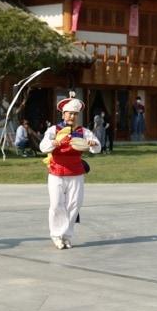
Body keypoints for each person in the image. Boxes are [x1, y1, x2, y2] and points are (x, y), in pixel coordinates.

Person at [39, 94, 101, 249]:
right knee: (56, 204)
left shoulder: (83, 131)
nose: (72, 116)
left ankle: (66, 235)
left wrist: (93, 143)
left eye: (75, 114)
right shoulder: (54, 129)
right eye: (69, 113)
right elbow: (43, 147)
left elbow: (97, 148)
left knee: (74, 204)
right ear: (63, 114)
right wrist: (55, 142)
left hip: (76, 173)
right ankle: (56, 235)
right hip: (56, 172)